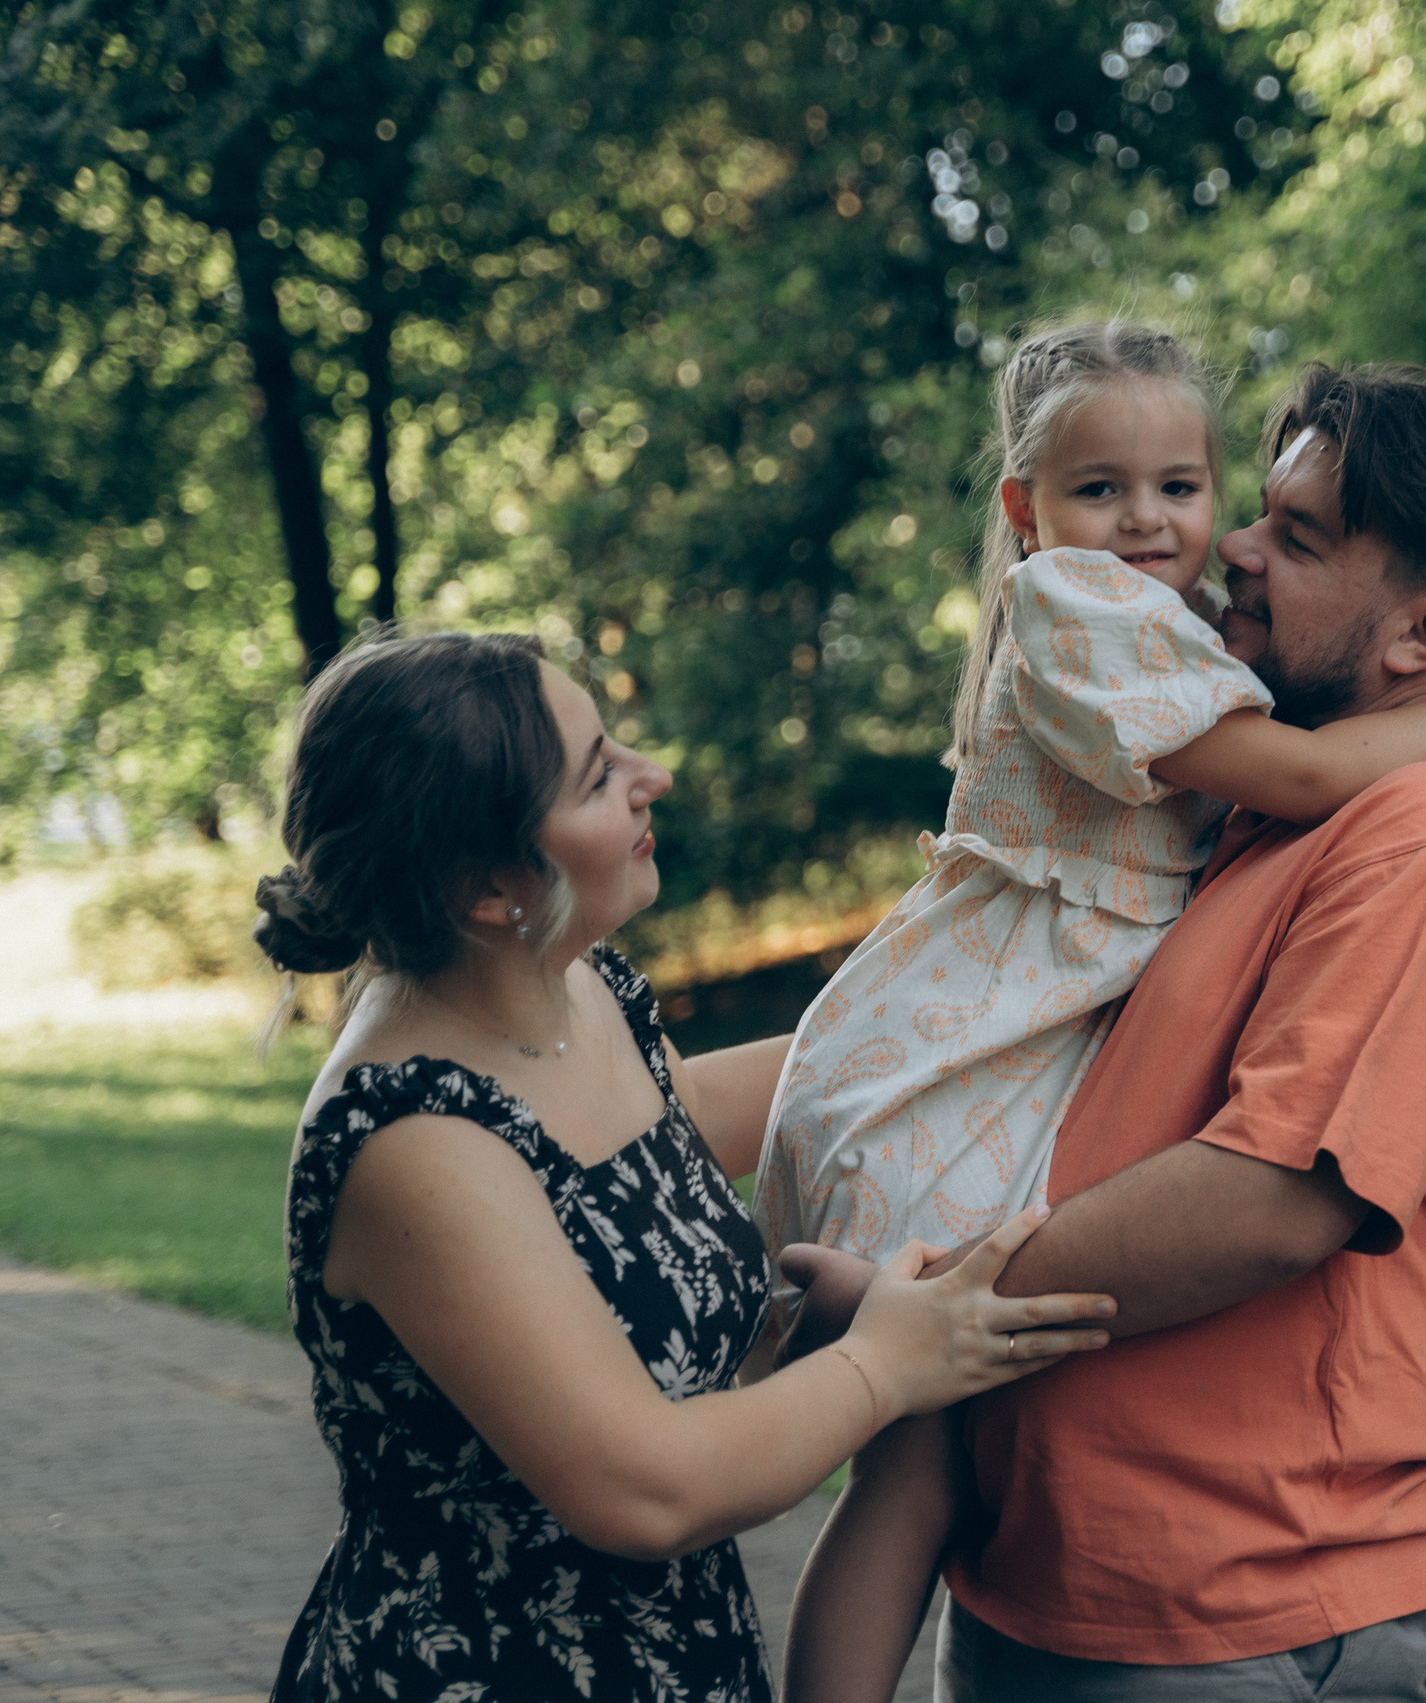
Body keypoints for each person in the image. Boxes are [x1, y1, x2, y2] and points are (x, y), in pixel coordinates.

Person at [757, 324, 1426, 1701]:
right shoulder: (1244, 790)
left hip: (1232, 1603)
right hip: (1075, 1573)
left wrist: (939, 1309)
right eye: (1258, 510)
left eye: (1303, 535)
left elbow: (1272, 1199)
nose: (1236, 550)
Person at [252, 630, 1114, 1702]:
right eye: (600, 775)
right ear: (488, 889)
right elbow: (643, 1486)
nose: (651, 775)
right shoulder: (412, 1140)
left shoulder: (577, 992)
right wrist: (890, 1361)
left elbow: (670, 1133)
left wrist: (990, 1016)